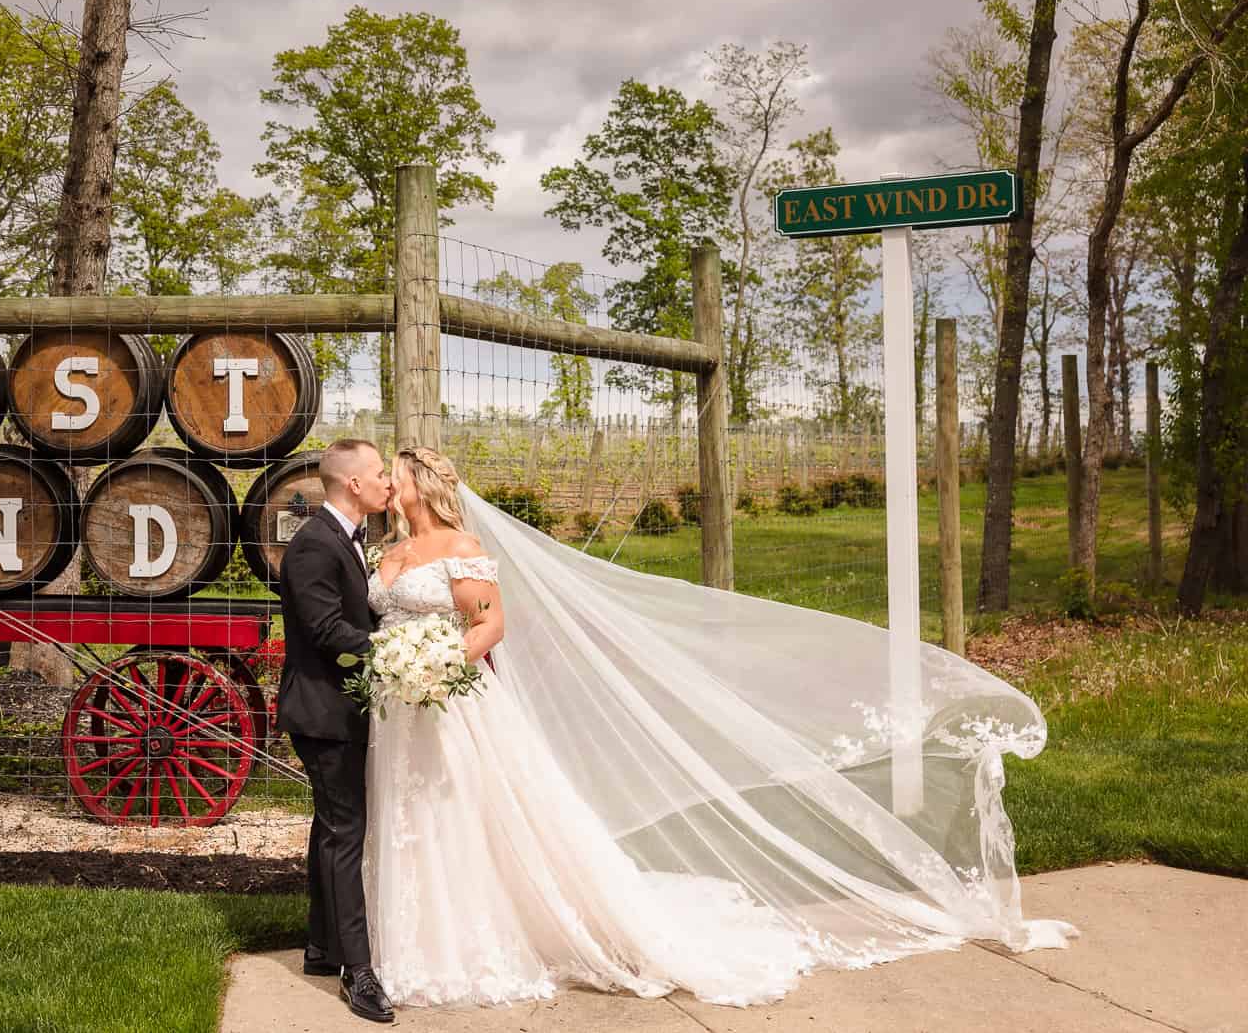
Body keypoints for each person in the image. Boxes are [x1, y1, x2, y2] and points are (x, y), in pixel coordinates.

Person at [361, 445, 1075, 1011]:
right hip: (400, 711)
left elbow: (491, 623)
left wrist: (437, 665)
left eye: (393, 477)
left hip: (451, 701)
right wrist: (400, 665)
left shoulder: (457, 545)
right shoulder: (384, 550)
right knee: (411, 815)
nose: (386, 487)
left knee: (466, 812)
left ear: (421, 484)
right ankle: (416, 944)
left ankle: (480, 941)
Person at [274, 438, 396, 1023]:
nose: (387, 483)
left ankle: (323, 947)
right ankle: (360, 971)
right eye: (378, 474)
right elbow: (325, 630)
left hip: (334, 708)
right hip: (323, 712)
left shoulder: (345, 539)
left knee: (331, 828)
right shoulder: (313, 545)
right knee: (347, 833)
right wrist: (398, 648)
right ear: (352, 484)